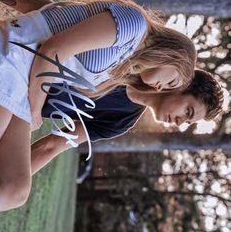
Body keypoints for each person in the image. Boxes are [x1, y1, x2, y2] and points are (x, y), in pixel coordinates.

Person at [0, 0, 197, 212]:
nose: (161, 88)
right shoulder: (134, 25)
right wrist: (34, 111)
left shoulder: (123, 68)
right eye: (172, 83)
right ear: (174, 55)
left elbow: (59, 17)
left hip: (19, 83)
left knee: (16, 190)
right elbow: (52, 49)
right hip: (12, 59)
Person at [31, 69, 224, 175]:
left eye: (187, 122)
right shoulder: (129, 64)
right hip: (24, 69)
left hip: (19, 109)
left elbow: (51, 146)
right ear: (183, 84)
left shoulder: (121, 122)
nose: (180, 122)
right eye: (187, 111)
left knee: (17, 191)